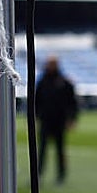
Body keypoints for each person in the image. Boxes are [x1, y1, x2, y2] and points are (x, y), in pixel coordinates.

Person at [34, 55, 78, 185]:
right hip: (46, 120)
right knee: (42, 149)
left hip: (60, 120)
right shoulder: (42, 81)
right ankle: (38, 175)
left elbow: (72, 102)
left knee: (60, 149)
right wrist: (36, 116)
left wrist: (72, 119)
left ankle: (61, 175)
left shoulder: (65, 81)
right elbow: (36, 101)